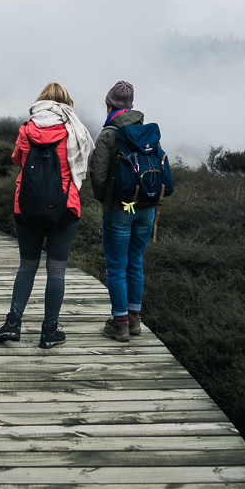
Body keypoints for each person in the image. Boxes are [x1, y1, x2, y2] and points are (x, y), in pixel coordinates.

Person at [0, 83, 95, 349]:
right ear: (66, 103)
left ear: (41, 101)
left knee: (27, 265)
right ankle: (49, 331)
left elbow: (16, 159)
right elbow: (83, 162)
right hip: (65, 207)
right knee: (56, 270)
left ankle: (13, 324)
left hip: (26, 207)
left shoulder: (27, 128)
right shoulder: (74, 130)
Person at [88, 80, 153, 343]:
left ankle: (120, 323)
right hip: (145, 208)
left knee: (116, 266)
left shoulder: (109, 134)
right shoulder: (146, 132)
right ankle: (135, 320)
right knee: (135, 262)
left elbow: (98, 174)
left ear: (109, 105)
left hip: (119, 209)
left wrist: (104, 199)